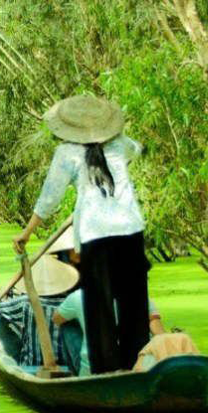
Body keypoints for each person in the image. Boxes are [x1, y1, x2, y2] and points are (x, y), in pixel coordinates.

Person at [13, 95, 150, 374]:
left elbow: (49, 198)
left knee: (98, 309)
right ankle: (137, 366)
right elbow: (139, 149)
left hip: (95, 235)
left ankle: (106, 374)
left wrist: (26, 234)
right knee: (134, 304)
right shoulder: (120, 144)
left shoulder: (67, 153)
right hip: (130, 229)